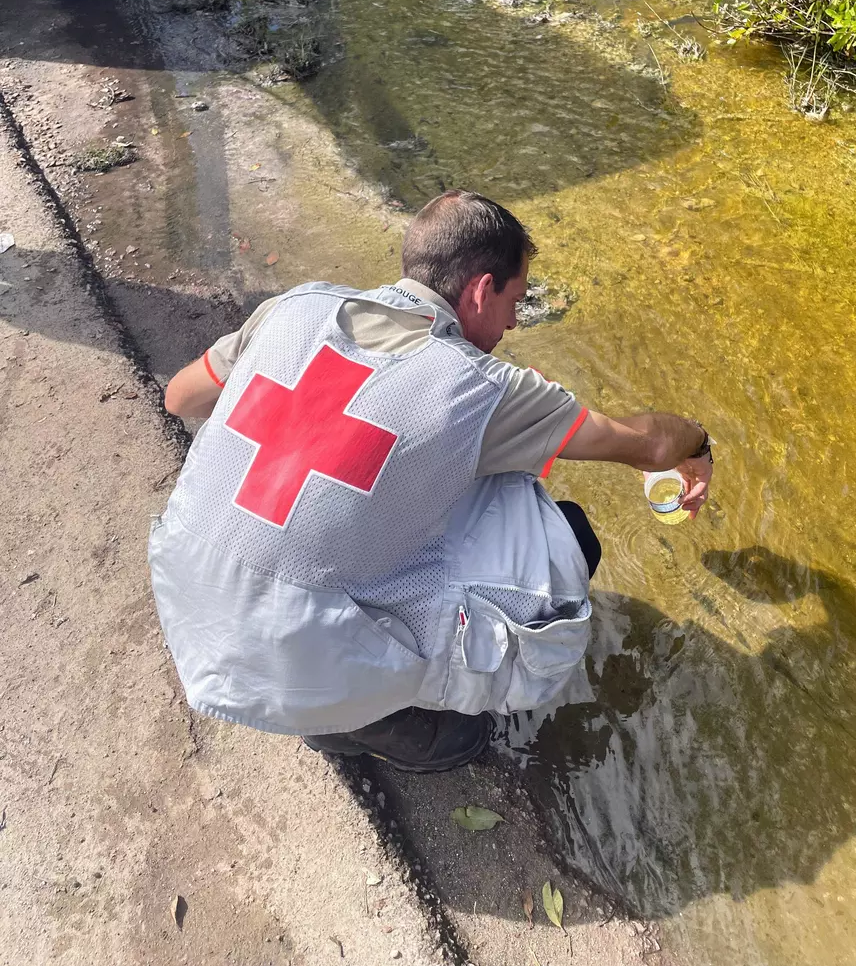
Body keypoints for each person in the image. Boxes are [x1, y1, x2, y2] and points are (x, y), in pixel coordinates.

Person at [150, 191, 713, 772]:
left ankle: (330, 695)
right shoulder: (480, 386)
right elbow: (645, 444)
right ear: (479, 290)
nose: (514, 321)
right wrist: (699, 442)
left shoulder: (294, 309)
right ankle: (360, 721)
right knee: (570, 534)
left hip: (187, 599)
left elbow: (181, 397)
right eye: (514, 300)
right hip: (293, 656)